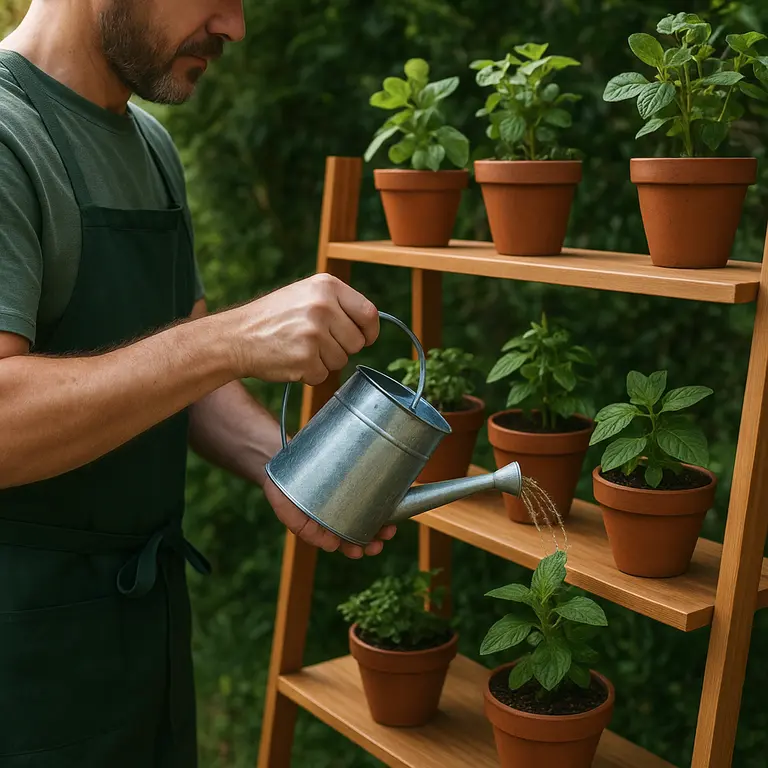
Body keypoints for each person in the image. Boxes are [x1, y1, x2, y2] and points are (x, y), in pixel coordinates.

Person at [0, 1, 396, 765]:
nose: (235, 27)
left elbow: (180, 377)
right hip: (25, 664)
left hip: (143, 643)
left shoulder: (150, 146)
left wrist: (285, 463)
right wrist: (232, 338)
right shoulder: (10, 135)